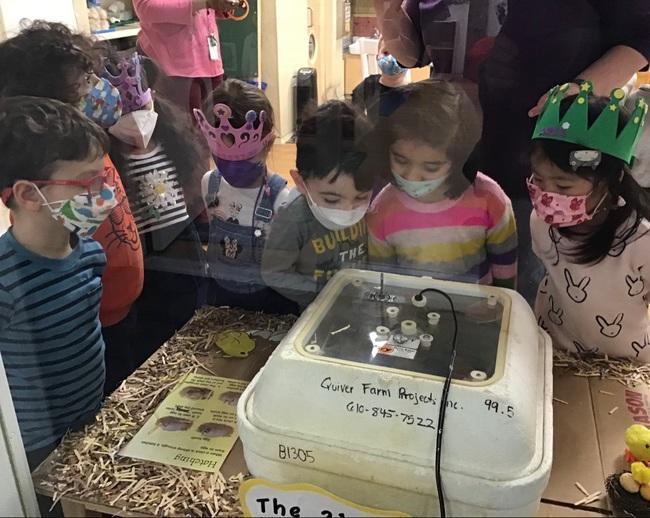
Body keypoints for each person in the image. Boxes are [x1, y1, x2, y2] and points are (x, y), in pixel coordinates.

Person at [374, 0, 650, 302]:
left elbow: (641, 35)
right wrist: (386, 10)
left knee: (527, 296)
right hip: (450, 165)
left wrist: (579, 89)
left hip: (540, 170)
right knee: (450, 291)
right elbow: (412, 54)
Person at [0, 22, 144, 395]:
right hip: (82, 327)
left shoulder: (86, 153)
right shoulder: (50, 170)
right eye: (80, 93)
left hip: (105, 313)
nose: (94, 95)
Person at [0, 97, 113, 469]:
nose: (104, 195)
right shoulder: (5, 280)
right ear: (29, 194)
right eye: (86, 183)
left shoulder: (91, 253)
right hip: (36, 445)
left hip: (91, 418)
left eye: (102, 178)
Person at [530, 82, 650, 360]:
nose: (548, 196)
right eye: (538, 180)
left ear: (610, 182)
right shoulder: (540, 222)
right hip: (551, 347)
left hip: (621, 361)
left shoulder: (641, 240)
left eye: (563, 186)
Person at [105, 52, 208, 365]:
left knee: (191, 307)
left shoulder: (168, 137)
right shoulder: (109, 154)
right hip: (143, 256)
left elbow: (188, 189)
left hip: (180, 242)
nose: (136, 123)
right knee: (153, 324)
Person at [367, 81, 517, 287]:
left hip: (477, 308)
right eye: (401, 161)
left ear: (460, 160)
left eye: (430, 167)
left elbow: (506, 268)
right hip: (411, 310)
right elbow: (382, 279)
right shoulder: (382, 209)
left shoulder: (489, 199)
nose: (412, 176)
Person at [261, 101, 375, 309]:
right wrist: (321, 293)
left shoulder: (371, 207)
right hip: (314, 312)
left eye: (361, 198)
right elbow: (274, 272)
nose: (347, 210)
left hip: (360, 303)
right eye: (331, 199)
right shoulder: (293, 218)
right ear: (300, 182)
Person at [194, 79, 295, 313]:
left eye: (243, 158)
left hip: (265, 304)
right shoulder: (210, 183)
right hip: (221, 297)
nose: (232, 168)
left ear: (267, 143)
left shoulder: (281, 199)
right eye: (223, 158)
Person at [133, 0, 243, 115]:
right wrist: (203, 3)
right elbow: (145, 8)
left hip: (209, 61)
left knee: (215, 124)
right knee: (186, 128)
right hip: (174, 67)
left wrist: (224, 4)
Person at [351, 37, 411, 126]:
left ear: (409, 62)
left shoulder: (413, 95)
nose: (391, 58)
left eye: (398, 54)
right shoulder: (368, 86)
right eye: (386, 53)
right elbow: (353, 111)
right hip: (374, 137)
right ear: (377, 57)